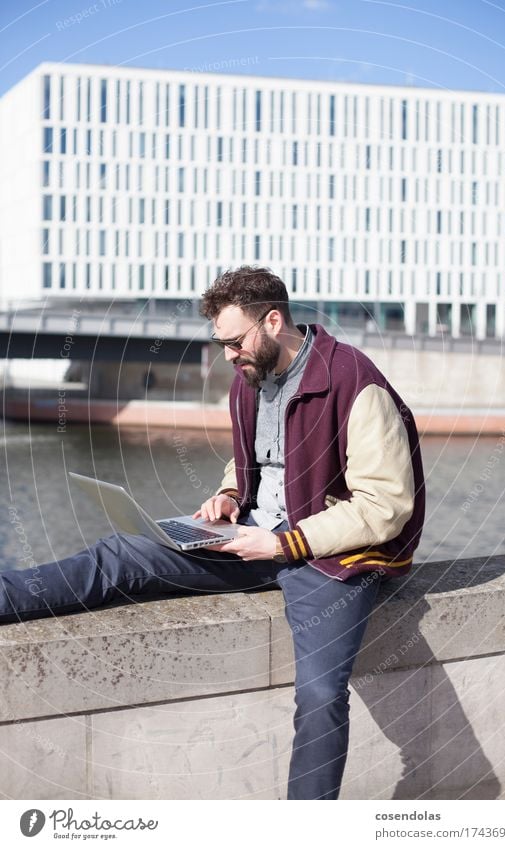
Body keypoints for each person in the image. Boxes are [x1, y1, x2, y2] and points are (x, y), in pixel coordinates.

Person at [0, 266, 425, 800]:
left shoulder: (356, 383)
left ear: (274, 321)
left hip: (331, 557)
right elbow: (259, 459)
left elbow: (386, 505)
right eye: (221, 343)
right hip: (253, 536)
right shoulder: (252, 378)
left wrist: (282, 543)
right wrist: (228, 495)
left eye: (234, 341)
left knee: (321, 693)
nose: (228, 355)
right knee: (122, 553)